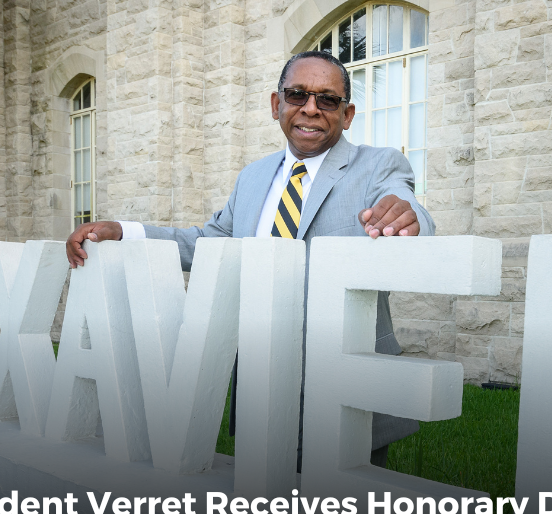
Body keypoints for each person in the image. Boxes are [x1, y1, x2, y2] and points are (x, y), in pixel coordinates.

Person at [65, 50, 434, 468]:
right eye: (298, 95)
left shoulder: (376, 165)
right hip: (262, 375)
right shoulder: (253, 177)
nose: (311, 108)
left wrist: (407, 215)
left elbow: (405, 202)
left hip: (344, 379)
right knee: (265, 512)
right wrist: (124, 231)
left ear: (346, 114)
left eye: (327, 100)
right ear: (277, 105)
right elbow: (209, 241)